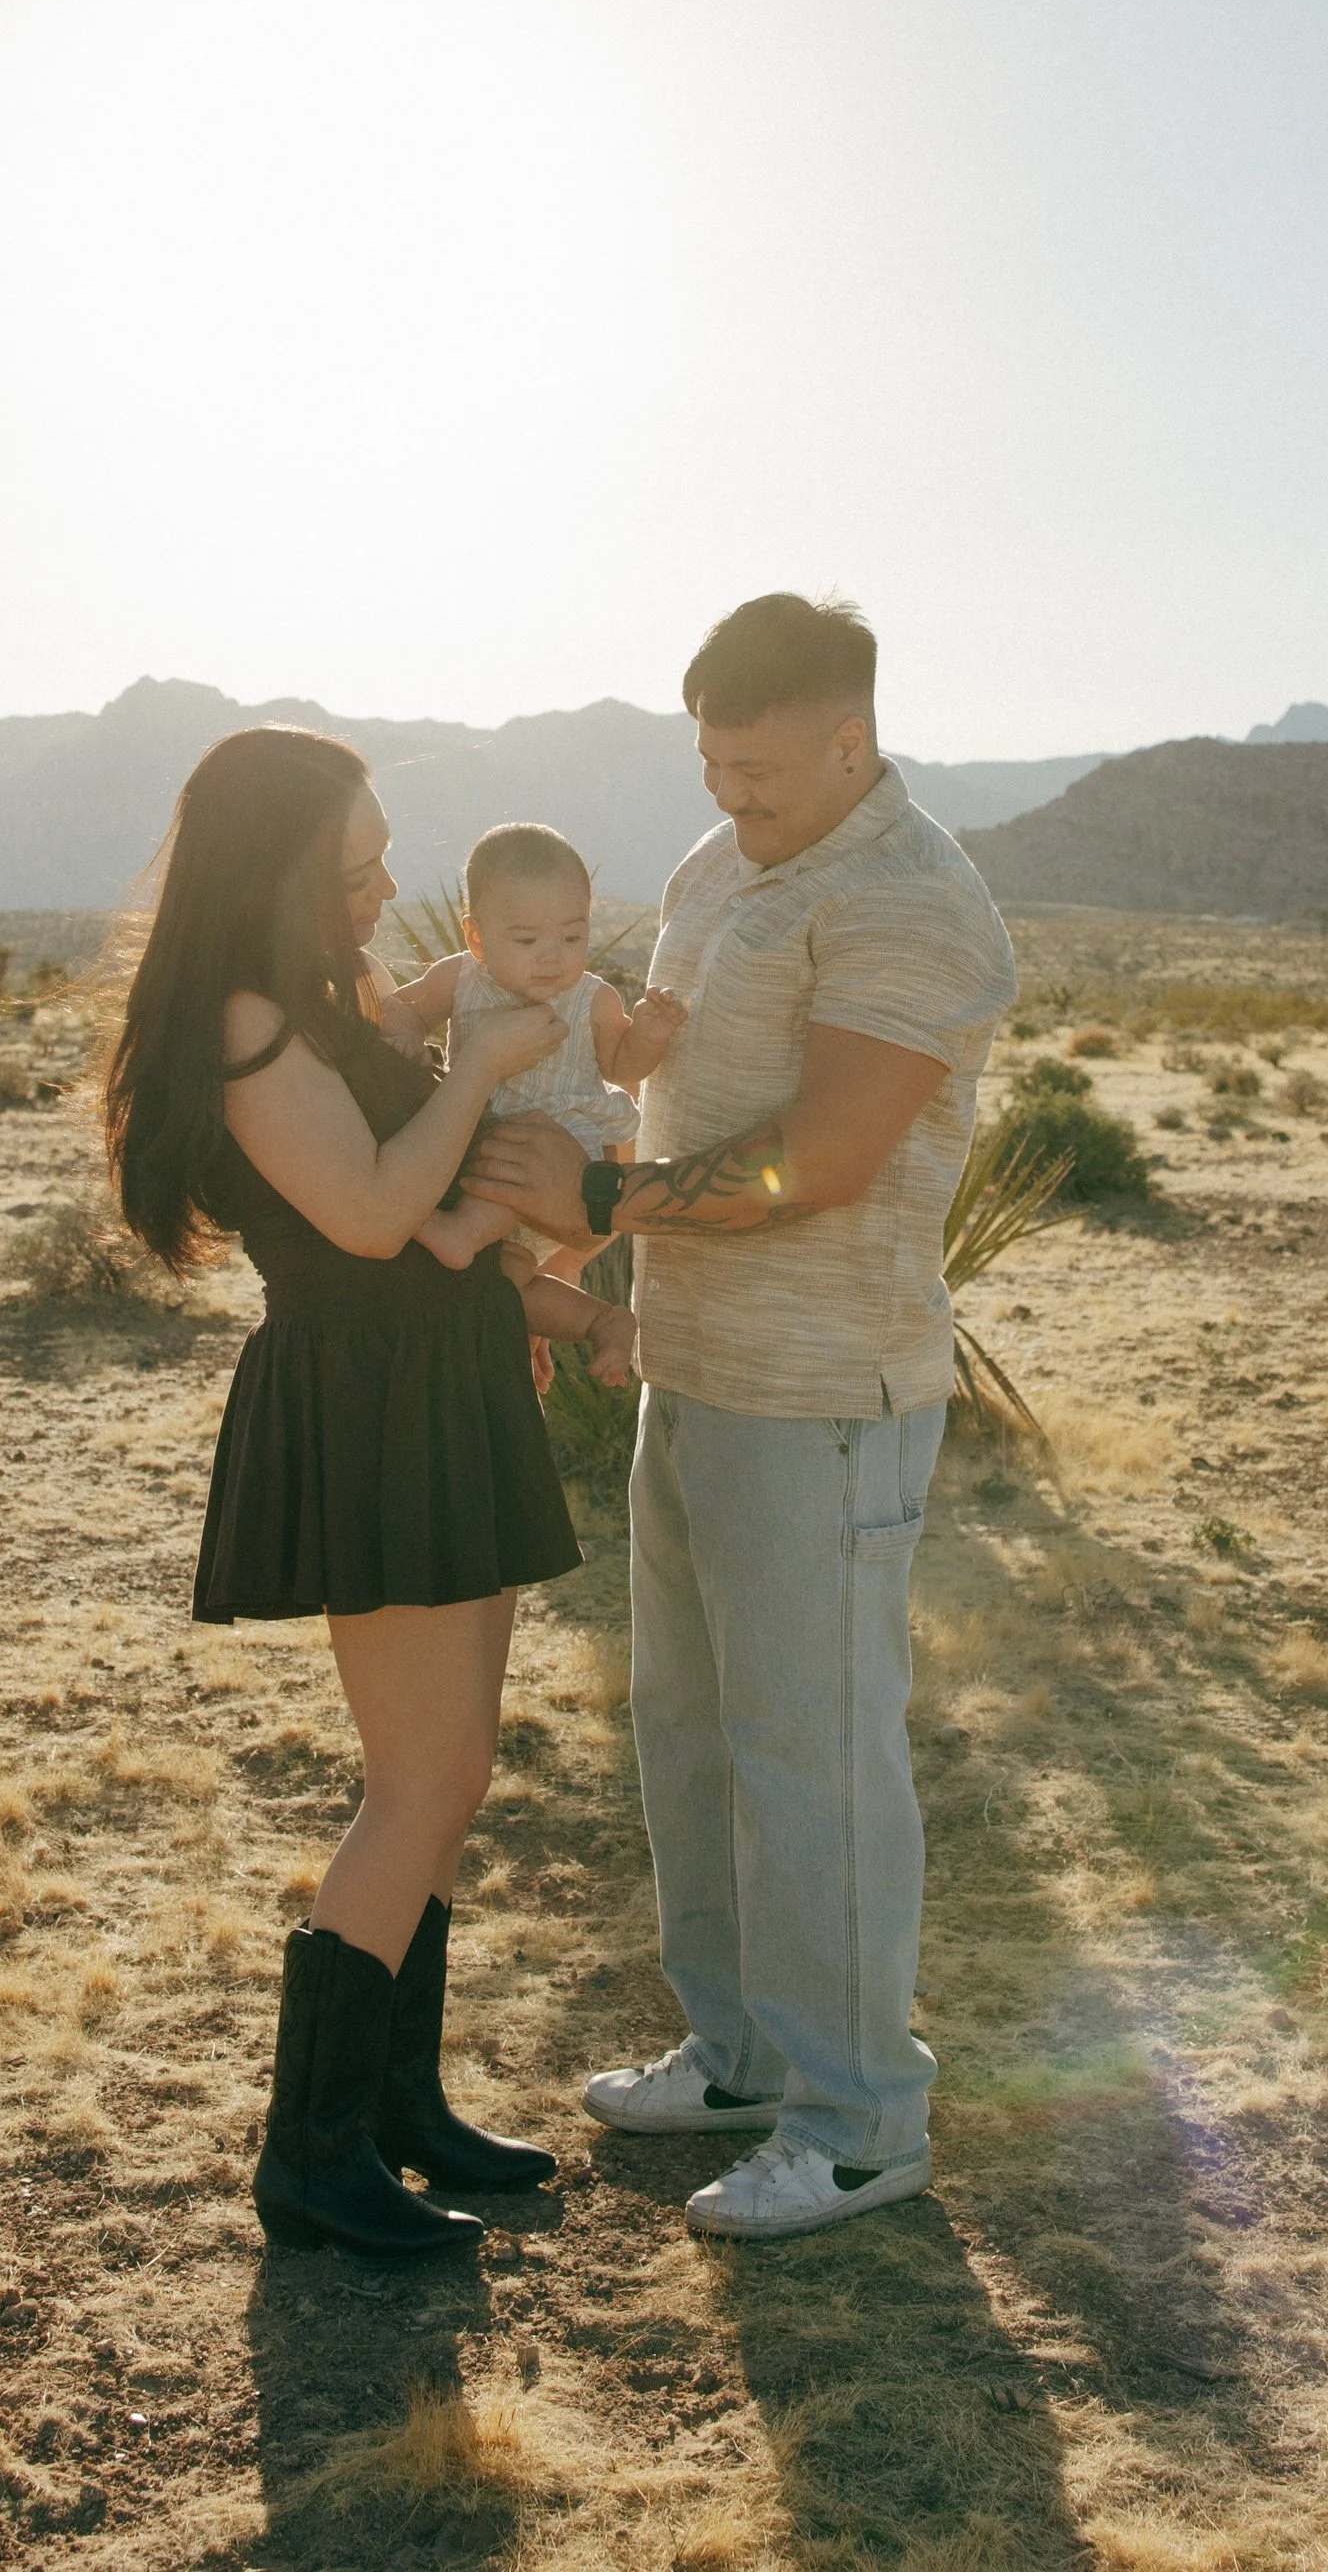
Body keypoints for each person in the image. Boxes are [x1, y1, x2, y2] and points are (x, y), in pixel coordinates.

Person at [462, 593, 1017, 2243]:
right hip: (684, 1364)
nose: (732, 794)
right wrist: (567, 1256)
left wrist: (609, 1194)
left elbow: (829, 1156)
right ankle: (742, 2054)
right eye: (711, 761)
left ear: (851, 736)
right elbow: (651, 1075)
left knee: (818, 1757)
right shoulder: (721, 868)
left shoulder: (915, 903)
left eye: (762, 768)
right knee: (692, 1731)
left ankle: (858, 2124)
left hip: (823, 1392)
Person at [104, 725, 632, 2258]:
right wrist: (479, 1069)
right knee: (421, 1779)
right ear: (274, 872)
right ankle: (312, 2153)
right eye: (356, 865)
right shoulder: (246, 1019)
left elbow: (442, 1219)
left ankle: (400, 2108)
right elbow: (376, 1210)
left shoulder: (325, 1003)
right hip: (372, 1411)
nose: (386, 886)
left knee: (453, 1771)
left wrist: (564, 1310)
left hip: (447, 1391)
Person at [383, 819, 685, 1279]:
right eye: (527, 940)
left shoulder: (592, 998)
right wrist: (404, 1034)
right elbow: (401, 1010)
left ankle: (459, 1233)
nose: (553, 955)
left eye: (571, 937)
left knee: (511, 1169)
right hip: (471, 1132)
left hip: (559, 1151)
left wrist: (648, 1035)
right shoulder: (459, 978)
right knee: (514, 1275)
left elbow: (622, 1065)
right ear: (477, 938)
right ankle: (592, 1318)